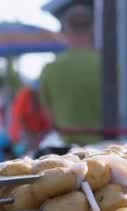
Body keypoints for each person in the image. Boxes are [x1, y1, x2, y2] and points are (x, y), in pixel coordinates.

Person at [39, 4, 101, 145]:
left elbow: (50, 118)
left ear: (65, 30)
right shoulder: (110, 66)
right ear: (93, 29)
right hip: (109, 150)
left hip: (68, 153)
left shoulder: (50, 69)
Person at [9, 82, 52, 153]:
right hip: (23, 141)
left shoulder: (41, 104)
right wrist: (31, 138)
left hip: (37, 141)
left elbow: (47, 126)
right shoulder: (25, 95)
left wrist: (39, 138)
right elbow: (20, 119)